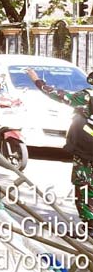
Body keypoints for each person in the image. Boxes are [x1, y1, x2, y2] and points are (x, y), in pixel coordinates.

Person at [26, 68, 93, 235]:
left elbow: (59, 95)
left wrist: (37, 81)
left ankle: (90, 226)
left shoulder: (87, 96)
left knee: (83, 185)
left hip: (86, 151)